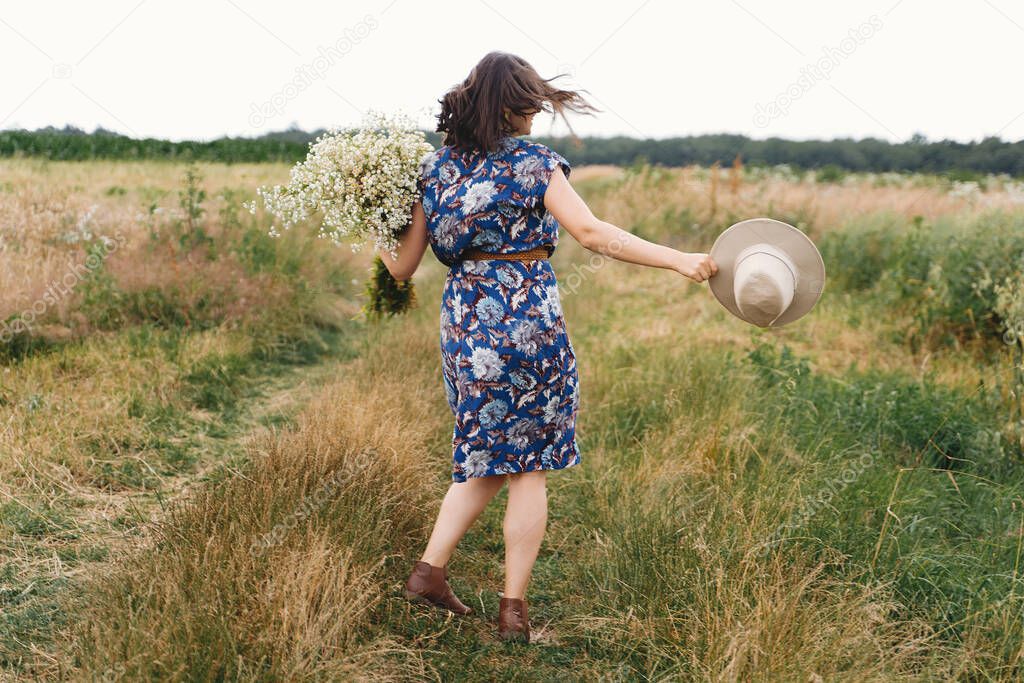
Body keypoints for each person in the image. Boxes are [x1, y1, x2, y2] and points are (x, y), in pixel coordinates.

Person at [380, 51, 717, 643]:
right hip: (530, 326)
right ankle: (513, 610)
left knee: (487, 449)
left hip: (464, 328)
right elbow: (591, 233)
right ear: (514, 104)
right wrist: (678, 260)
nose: (537, 112)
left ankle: (429, 573)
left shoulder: (434, 171)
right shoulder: (535, 164)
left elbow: (402, 267)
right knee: (529, 466)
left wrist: (369, 214)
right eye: (532, 102)